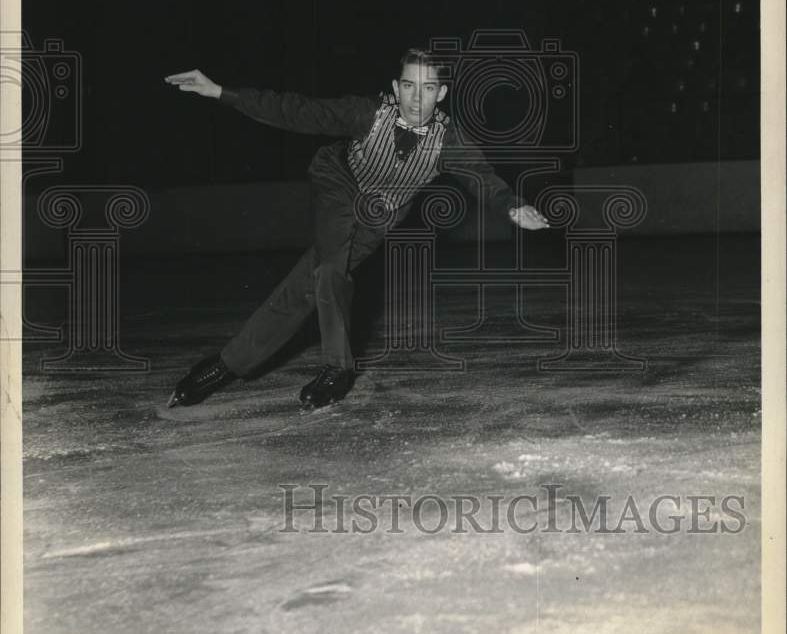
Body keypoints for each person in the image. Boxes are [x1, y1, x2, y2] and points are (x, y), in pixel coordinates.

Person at [163, 49, 550, 410]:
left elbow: (484, 178)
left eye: (428, 88)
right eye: (409, 87)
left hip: (378, 217)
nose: (417, 99)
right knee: (330, 270)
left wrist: (513, 206)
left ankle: (225, 364)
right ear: (397, 89)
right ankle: (338, 369)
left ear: (442, 93)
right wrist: (219, 92)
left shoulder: (449, 142)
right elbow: (297, 111)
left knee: (304, 288)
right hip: (340, 187)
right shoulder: (367, 114)